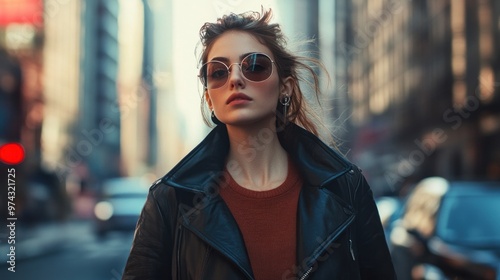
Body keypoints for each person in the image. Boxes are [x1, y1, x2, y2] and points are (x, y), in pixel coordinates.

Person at [122, 8, 396, 280]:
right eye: (218, 72)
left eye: (255, 66)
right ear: (209, 99)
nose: (235, 79)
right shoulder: (171, 199)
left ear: (285, 87)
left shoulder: (345, 188)